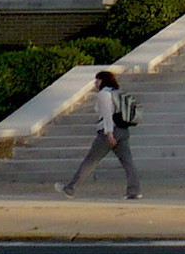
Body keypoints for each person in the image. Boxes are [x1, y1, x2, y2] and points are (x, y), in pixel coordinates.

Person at [55, 70, 141, 199]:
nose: (95, 83)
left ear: (103, 81)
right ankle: (134, 190)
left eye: (97, 80)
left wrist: (109, 133)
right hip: (123, 130)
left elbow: (107, 115)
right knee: (128, 162)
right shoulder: (117, 93)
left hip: (109, 131)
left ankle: (71, 188)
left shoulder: (104, 94)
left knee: (91, 160)